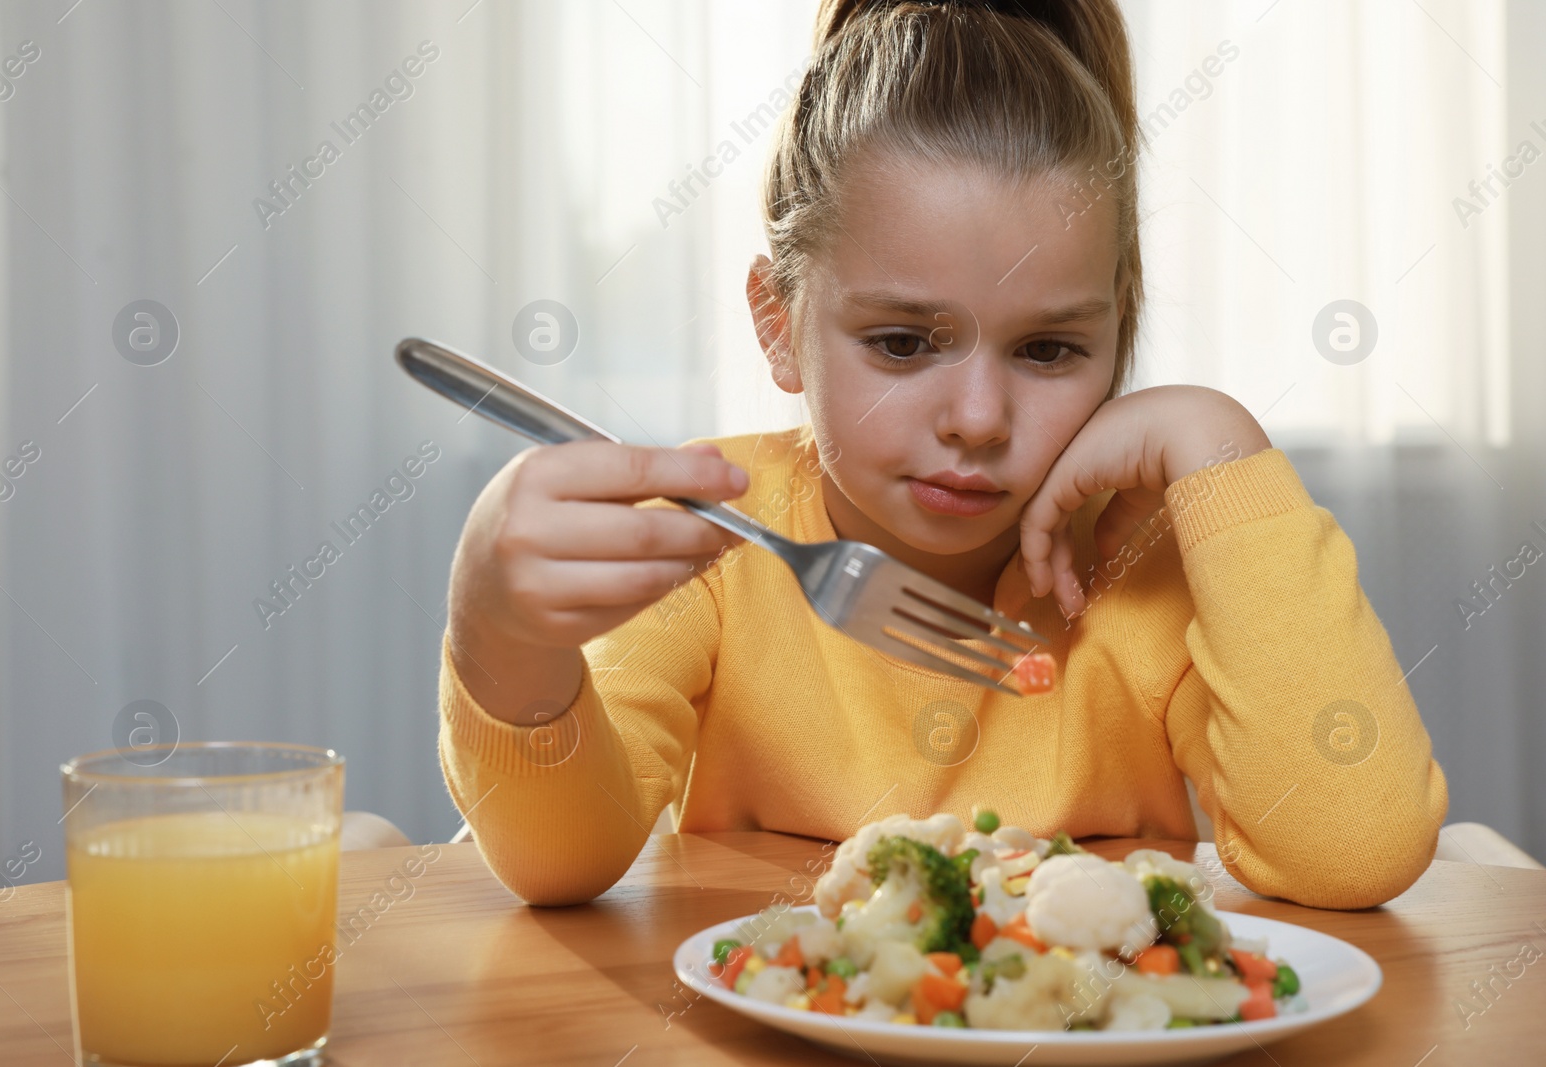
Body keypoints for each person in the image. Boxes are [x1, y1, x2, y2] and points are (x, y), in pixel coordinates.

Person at [436, 0, 1448, 909]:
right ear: (781, 322)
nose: (975, 416)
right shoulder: (708, 542)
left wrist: (1221, 444)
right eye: (903, 343)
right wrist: (504, 646)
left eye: (1047, 349)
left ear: (1116, 339)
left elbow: (1352, 855)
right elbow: (561, 868)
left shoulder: (1148, 564)